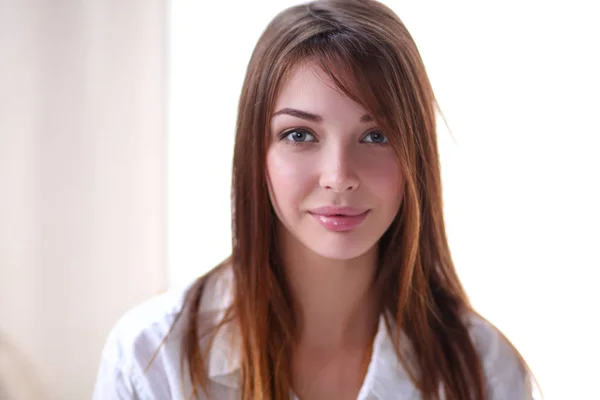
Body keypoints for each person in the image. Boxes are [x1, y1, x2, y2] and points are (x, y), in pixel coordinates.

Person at [93, 0, 536, 399]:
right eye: (299, 134)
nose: (339, 177)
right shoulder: (152, 358)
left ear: (415, 156)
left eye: (375, 135)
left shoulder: (484, 370)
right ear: (256, 152)